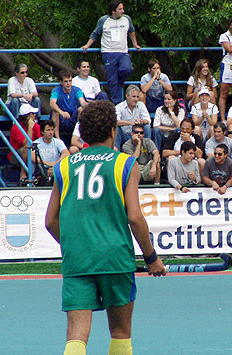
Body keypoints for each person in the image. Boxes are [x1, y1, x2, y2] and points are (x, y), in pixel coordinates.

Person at [45, 100, 166, 355]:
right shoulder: (125, 164)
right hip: (115, 257)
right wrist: (151, 257)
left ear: (84, 134)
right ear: (113, 131)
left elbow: (50, 222)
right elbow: (134, 217)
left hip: (78, 260)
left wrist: (73, 244)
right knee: (120, 332)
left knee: (76, 336)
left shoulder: (64, 166)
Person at [81, 1, 141, 104]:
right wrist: (87, 46)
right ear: (113, 11)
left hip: (122, 52)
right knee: (112, 81)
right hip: (109, 52)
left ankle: (120, 82)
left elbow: (132, 31)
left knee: (127, 69)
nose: (123, 11)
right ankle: (116, 106)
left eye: (123, 8)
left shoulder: (127, 19)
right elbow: (95, 34)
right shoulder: (104, 20)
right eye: (120, 9)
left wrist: (135, 44)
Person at [7, 104, 42, 183]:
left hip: (32, 153)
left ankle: (41, 175)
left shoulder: (36, 126)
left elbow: (40, 140)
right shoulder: (16, 128)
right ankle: (23, 173)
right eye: (32, 114)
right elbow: (26, 143)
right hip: (16, 156)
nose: (35, 115)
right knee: (26, 149)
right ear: (27, 117)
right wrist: (30, 128)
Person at [50, 70, 88, 139]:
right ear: (61, 82)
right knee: (54, 111)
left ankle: (80, 137)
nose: (68, 83)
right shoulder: (56, 91)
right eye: (66, 81)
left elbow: (82, 102)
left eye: (70, 81)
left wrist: (86, 105)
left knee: (81, 109)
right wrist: (61, 112)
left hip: (72, 117)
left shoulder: (77, 90)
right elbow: (52, 103)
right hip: (61, 117)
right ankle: (57, 139)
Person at [115, 85, 151, 150]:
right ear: (127, 96)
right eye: (134, 97)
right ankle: (116, 153)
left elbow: (148, 120)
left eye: (137, 97)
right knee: (116, 129)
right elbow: (115, 121)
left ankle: (147, 150)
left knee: (147, 127)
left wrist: (141, 121)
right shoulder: (119, 106)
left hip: (138, 134)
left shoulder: (141, 105)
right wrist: (130, 123)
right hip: (125, 135)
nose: (136, 99)